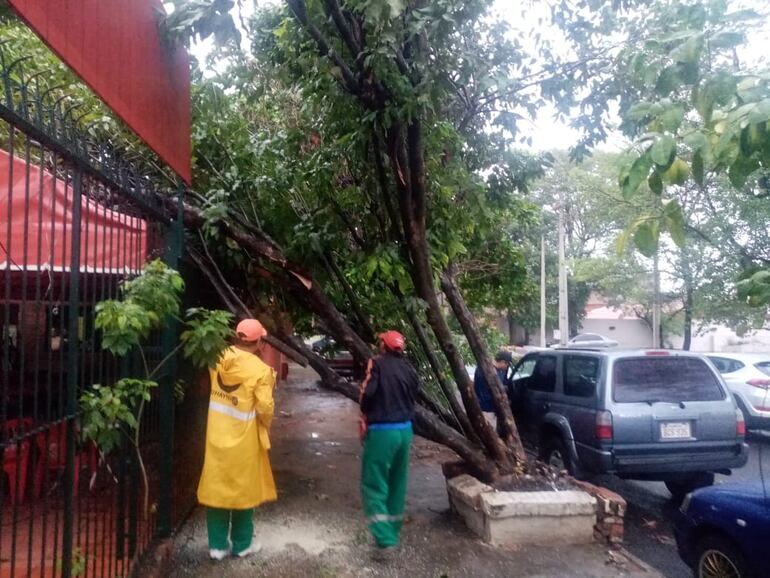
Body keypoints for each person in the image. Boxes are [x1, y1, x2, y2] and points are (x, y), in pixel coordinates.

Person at [197, 319, 277, 560]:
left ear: (237, 337)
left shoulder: (218, 358)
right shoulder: (260, 371)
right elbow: (265, 408)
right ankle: (242, 545)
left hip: (216, 436)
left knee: (216, 488)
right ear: (259, 342)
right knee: (244, 492)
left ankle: (217, 547)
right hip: (244, 441)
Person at [359, 330, 420, 559]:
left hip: (383, 432)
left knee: (373, 484)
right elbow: (415, 394)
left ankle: (385, 540)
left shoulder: (376, 364)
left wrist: (364, 414)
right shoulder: (409, 368)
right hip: (405, 430)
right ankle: (392, 533)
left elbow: (368, 393)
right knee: (397, 482)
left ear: (383, 345)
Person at [473, 350, 513, 430]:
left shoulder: (500, 371)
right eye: (507, 364)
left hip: (492, 409)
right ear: (502, 362)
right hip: (485, 409)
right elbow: (486, 390)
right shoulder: (485, 371)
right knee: (488, 433)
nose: (507, 367)